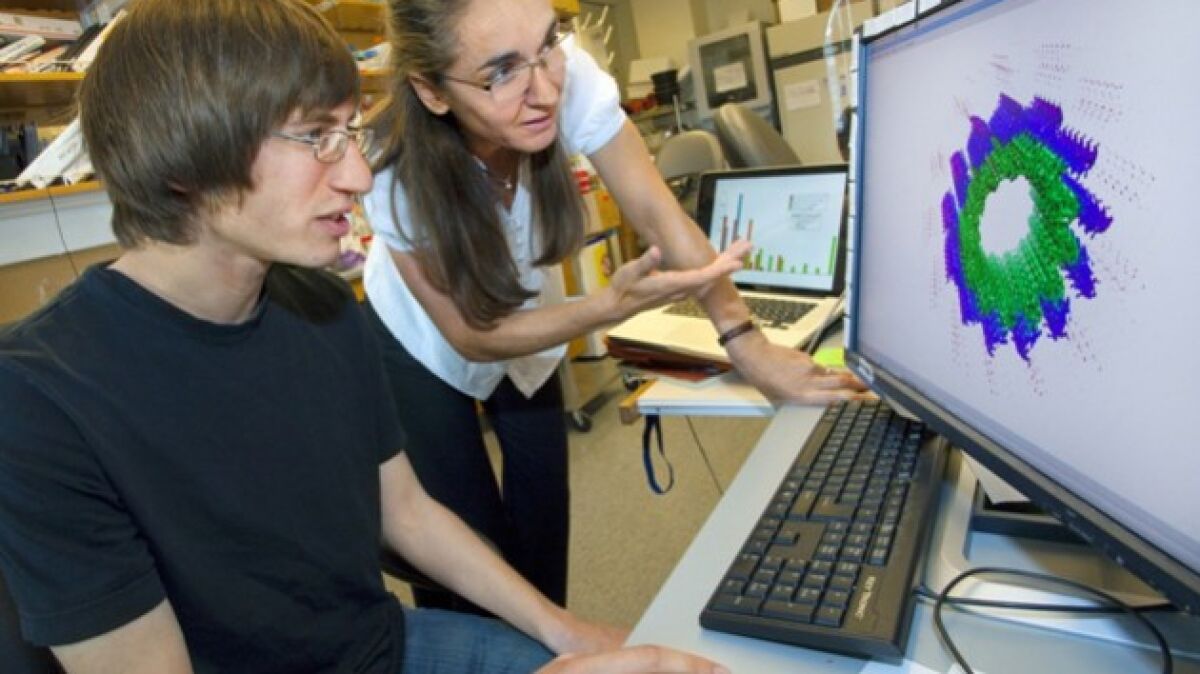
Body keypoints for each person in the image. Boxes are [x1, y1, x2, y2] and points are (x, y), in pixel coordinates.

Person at [0, 1, 730, 672]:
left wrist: (564, 632)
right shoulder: (41, 395)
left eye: (347, 133)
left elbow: (405, 511)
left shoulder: (321, 308)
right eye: (317, 138)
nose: (355, 174)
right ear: (186, 155)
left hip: (385, 646)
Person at [362, 0, 871, 611]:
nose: (545, 90)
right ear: (432, 90)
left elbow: (658, 212)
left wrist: (749, 343)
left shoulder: (561, 73)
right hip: (423, 342)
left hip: (526, 312)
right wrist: (609, 306)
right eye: (501, 72)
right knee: (464, 557)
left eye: (547, 45)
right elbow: (473, 335)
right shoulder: (390, 169)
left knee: (543, 526)